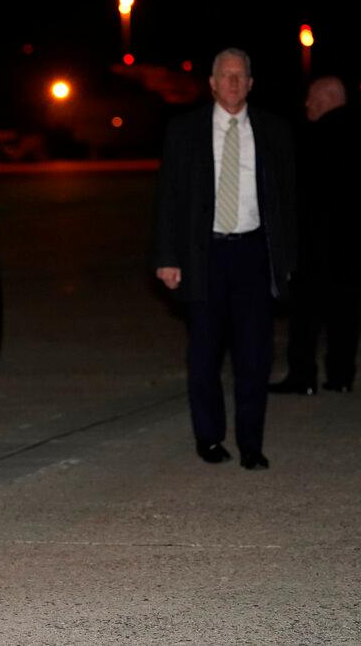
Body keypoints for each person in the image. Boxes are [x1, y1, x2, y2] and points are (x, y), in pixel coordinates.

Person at [153, 48, 296, 471]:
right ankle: (210, 437)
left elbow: (288, 201)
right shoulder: (184, 131)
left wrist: (286, 258)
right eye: (225, 76)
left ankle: (252, 444)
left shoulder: (273, 131)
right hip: (205, 253)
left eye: (241, 76)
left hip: (253, 252)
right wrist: (166, 256)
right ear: (212, 83)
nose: (233, 83)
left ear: (251, 84)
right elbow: (168, 199)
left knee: (254, 356)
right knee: (204, 353)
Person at [269, 76, 360, 395]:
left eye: (311, 98)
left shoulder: (317, 137)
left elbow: (300, 194)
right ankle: (341, 375)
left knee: (305, 313)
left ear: (328, 98)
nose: (307, 104)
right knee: (346, 313)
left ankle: (302, 375)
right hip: (350, 246)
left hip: (316, 244)